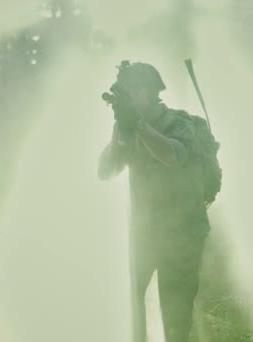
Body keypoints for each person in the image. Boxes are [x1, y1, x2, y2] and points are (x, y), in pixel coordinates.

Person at [98, 61, 211, 342]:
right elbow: (105, 172)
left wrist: (138, 125)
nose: (130, 95)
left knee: (175, 319)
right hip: (144, 233)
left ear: (152, 91)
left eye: (135, 89)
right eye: (126, 91)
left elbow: (173, 156)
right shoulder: (126, 128)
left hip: (182, 235)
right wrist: (120, 134)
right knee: (131, 311)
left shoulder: (179, 122)